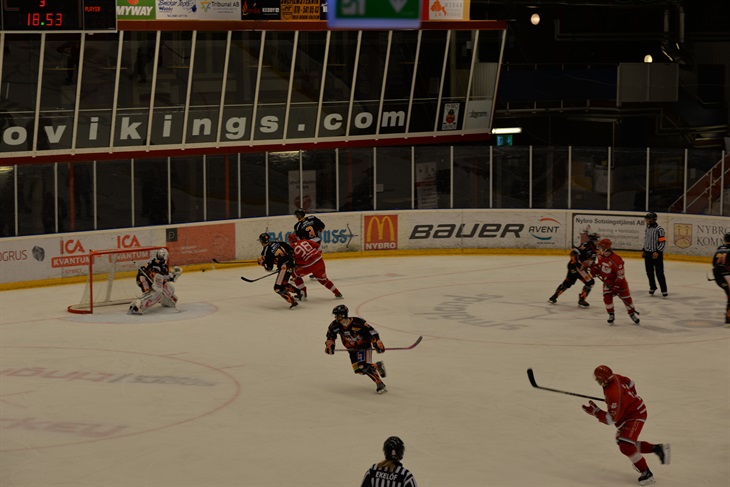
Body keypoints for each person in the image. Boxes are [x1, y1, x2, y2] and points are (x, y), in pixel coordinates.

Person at [582, 365, 670, 486]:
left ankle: (647, 474)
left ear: (605, 379)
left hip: (635, 414)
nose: (597, 380)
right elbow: (630, 382)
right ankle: (657, 448)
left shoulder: (613, 394)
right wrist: (629, 397)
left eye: (598, 378)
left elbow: (610, 419)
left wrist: (596, 412)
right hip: (628, 413)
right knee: (622, 441)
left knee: (626, 446)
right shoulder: (615, 377)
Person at [325, 304, 387, 394]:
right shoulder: (334, 325)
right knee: (359, 370)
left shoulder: (358, 322)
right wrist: (330, 345)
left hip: (364, 346)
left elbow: (372, 332)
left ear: (343, 315)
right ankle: (377, 366)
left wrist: (376, 342)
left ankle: (379, 383)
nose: (335, 318)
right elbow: (330, 335)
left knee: (363, 366)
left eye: (337, 316)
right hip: (352, 350)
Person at [591, 238, 641, 325]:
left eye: (601, 247)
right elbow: (600, 265)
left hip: (619, 282)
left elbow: (620, 275)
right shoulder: (600, 255)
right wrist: (595, 269)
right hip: (607, 281)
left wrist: (616, 286)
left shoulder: (616, 260)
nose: (599, 248)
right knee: (607, 297)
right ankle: (611, 314)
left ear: (605, 248)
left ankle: (632, 314)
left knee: (626, 298)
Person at [549, 233, 599, 307]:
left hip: (575, 267)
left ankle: (554, 296)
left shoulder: (594, 249)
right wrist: (577, 263)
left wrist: (594, 268)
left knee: (568, 282)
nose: (598, 242)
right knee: (590, 282)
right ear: (592, 240)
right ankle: (582, 299)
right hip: (576, 267)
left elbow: (590, 261)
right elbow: (573, 253)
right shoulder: (586, 246)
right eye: (597, 240)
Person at [287, 232, 343, 300]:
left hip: (308, 266)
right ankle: (337, 293)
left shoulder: (290, 248)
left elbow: (290, 260)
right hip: (319, 261)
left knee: (295, 274)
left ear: (289, 241)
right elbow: (319, 247)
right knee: (323, 280)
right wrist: (315, 255)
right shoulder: (305, 241)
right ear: (297, 238)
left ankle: (303, 294)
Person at [128, 248, 182, 315]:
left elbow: (163, 278)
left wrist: (173, 276)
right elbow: (157, 277)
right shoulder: (156, 265)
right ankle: (137, 306)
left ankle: (167, 301)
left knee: (163, 287)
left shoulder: (160, 264)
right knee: (155, 293)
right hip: (144, 279)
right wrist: (171, 276)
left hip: (145, 279)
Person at [257, 232, 302, 309]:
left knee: (277, 288)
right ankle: (299, 292)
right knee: (283, 284)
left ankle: (293, 302)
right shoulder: (277, 242)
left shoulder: (265, 251)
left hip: (284, 267)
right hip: (290, 264)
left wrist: (262, 263)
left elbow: (269, 268)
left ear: (261, 242)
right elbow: (290, 250)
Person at [642, 212, 668, 297]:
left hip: (656, 254)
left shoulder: (659, 229)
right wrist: (644, 250)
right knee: (649, 272)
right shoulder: (647, 229)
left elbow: (662, 242)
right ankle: (652, 287)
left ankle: (664, 289)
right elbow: (646, 240)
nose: (647, 220)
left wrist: (657, 251)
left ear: (653, 219)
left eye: (648, 219)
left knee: (659, 272)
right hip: (648, 253)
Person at [711, 232, 730, 326]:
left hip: (718, 277)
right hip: (727, 276)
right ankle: (728, 316)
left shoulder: (719, 248)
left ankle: (728, 316)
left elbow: (713, 263)